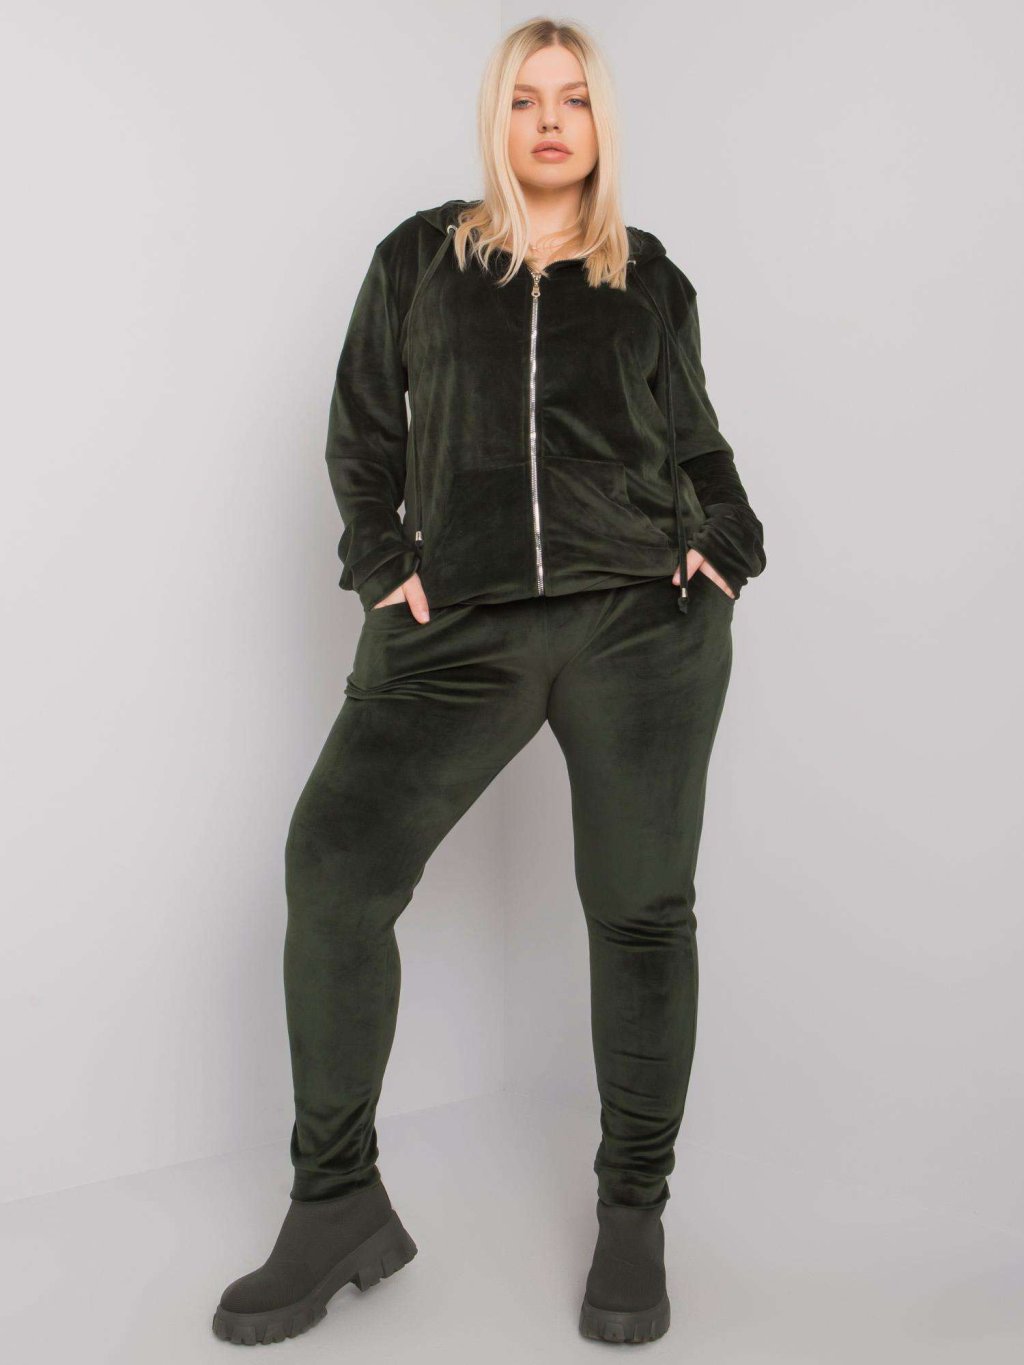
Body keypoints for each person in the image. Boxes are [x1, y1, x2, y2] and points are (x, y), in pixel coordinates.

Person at [212, 16, 765, 1350]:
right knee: (335, 872)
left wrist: (727, 545)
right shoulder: (419, 260)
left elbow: (697, 445)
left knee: (640, 912)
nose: (551, 121)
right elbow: (362, 434)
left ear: (601, 121)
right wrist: (381, 559)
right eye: (526, 98)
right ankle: (336, 1201)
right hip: (457, 626)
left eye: (573, 99)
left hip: (638, 623)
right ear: (496, 119)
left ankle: (633, 1211)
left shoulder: (649, 279)